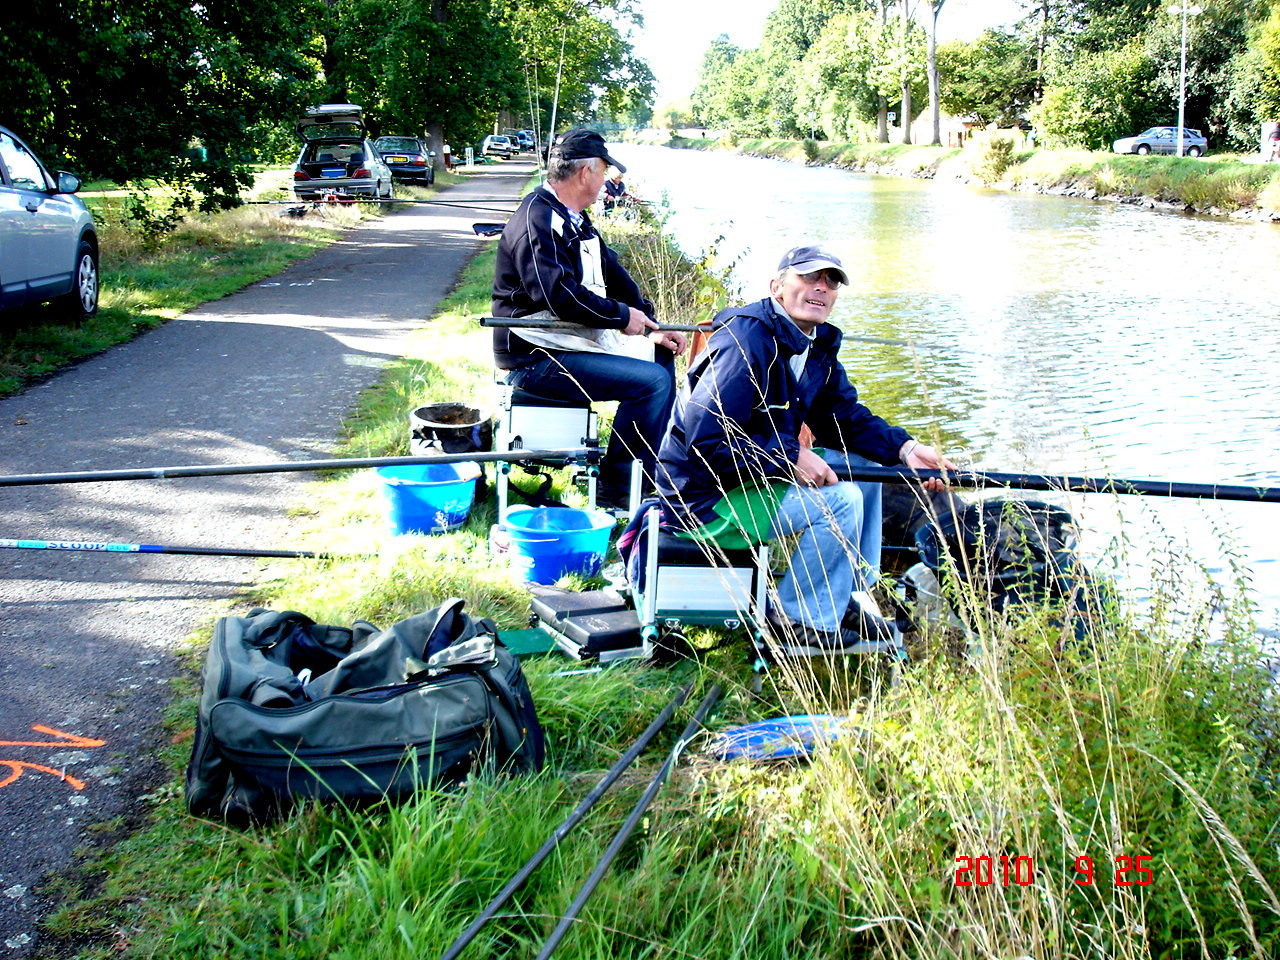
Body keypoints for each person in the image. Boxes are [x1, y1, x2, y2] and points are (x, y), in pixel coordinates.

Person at [655, 244, 956, 653]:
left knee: (864, 466)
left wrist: (905, 449)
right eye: (809, 277)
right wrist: (790, 455)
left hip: (749, 479)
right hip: (704, 498)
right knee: (842, 501)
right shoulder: (746, 342)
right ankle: (798, 617)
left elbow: (845, 417)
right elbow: (707, 441)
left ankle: (839, 593)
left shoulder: (813, 345)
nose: (821, 288)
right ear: (777, 286)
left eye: (831, 282)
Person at [492, 128, 687, 510]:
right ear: (587, 172)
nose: (606, 182)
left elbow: (613, 274)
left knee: (661, 359)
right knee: (650, 383)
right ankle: (618, 491)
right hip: (533, 356)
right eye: (604, 172)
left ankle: (645, 473)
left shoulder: (574, 218)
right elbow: (557, 296)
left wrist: (651, 325)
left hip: (567, 342)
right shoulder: (538, 220)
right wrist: (620, 317)